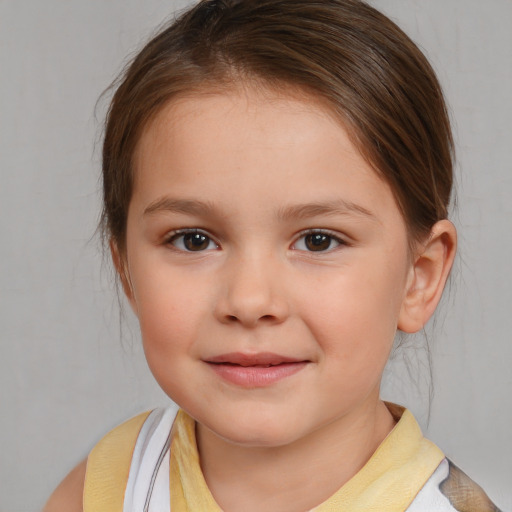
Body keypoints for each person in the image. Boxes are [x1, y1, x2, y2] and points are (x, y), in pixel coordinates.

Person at [44, 0, 503, 510]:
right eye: (193, 240)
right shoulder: (109, 485)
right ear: (126, 269)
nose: (249, 299)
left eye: (318, 240)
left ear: (419, 278)